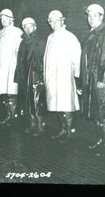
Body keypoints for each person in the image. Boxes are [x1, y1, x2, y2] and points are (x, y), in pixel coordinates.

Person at [79, 4, 105, 152]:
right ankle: (101, 139)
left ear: (102, 17)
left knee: (104, 112)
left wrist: (102, 79)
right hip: (92, 79)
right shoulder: (92, 33)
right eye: (89, 16)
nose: (91, 19)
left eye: (95, 15)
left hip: (102, 82)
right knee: (97, 111)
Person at [44, 10, 81, 143]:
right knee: (56, 106)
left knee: (66, 105)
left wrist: (77, 78)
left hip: (65, 77)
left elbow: (77, 57)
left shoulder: (69, 36)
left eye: (56, 20)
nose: (54, 23)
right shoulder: (50, 38)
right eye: (51, 21)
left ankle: (70, 131)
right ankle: (63, 129)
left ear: (62, 20)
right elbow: (46, 59)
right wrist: (46, 76)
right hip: (52, 78)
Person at [14, 17, 47, 136]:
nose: (28, 29)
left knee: (37, 102)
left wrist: (42, 77)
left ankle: (40, 126)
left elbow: (43, 59)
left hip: (35, 76)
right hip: (25, 76)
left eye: (30, 26)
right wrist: (18, 76)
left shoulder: (39, 41)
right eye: (25, 27)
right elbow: (19, 60)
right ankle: (32, 123)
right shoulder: (23, 42)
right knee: (27, 102)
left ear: (35, 27)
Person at [0, 9, 23, 126]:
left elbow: (21, 51)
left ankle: (14, 117)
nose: (3, 21)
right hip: (1, 67)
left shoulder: (17, 32)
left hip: (12, 66)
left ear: (11, 19)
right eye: (1, 19)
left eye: (5, 18)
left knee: (12, 92)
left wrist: (18, 66)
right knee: (3, 93)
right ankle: (8, 115)